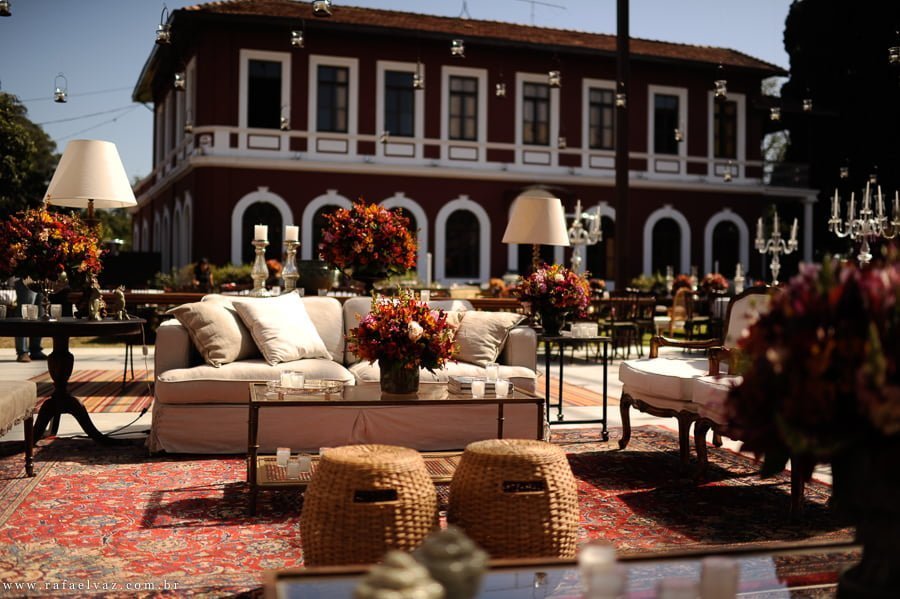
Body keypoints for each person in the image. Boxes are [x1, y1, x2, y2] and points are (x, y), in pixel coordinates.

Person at [14, 277, 46, 362]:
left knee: (40, 313)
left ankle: (35, 349)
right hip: (27, 276)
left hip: (42, 277)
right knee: (25, 313)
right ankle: (22, 352)